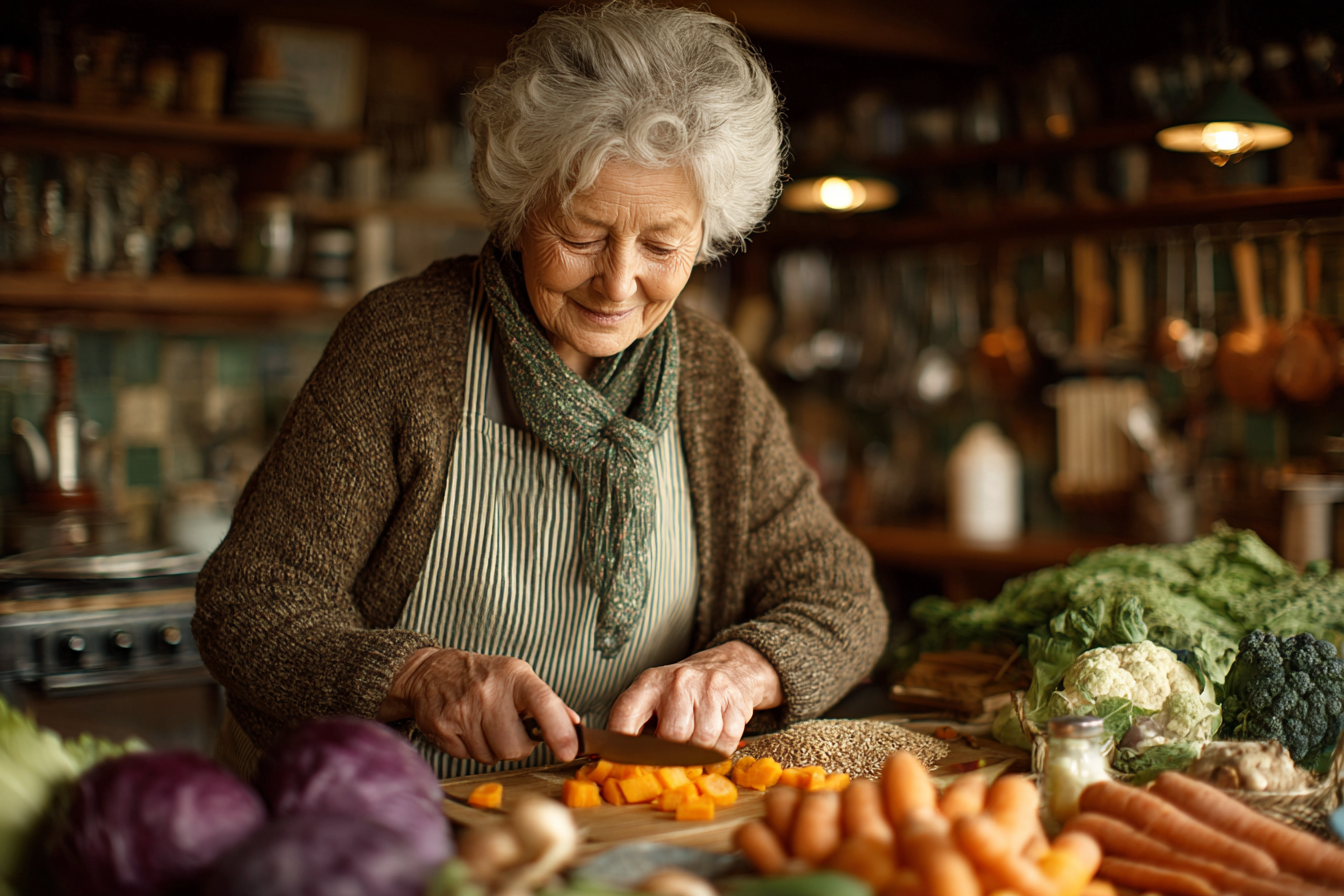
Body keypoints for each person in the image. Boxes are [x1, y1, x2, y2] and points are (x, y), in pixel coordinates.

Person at [194, 0, 886, 780]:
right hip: (374, 820)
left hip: (606, 831)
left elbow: (842, 597)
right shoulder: (406, 349)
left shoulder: (710, 376)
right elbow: (250, 604)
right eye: (582, 235)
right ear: (522, 209)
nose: (618, 281)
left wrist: (747, 666)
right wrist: (416, 675)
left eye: (662, 243)